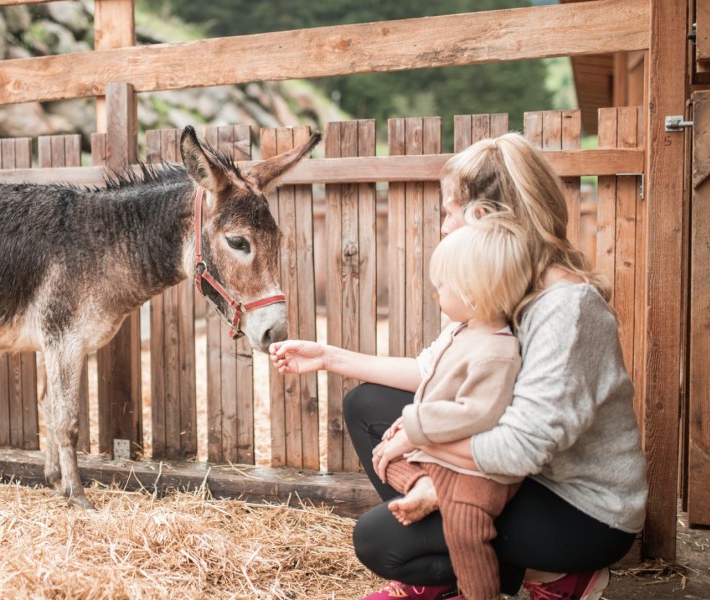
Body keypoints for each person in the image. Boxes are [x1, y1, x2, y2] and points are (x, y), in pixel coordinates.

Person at [269, 133, 647, 600]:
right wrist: (328, 357)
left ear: (481, 218)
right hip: (512, 482)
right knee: (366, 403)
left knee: (381, 541)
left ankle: (557, 575)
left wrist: (420, 438)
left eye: (448, 212)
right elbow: (431, 369)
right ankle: (453, 555)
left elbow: (520, 451)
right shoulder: (503, 286)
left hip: (580, 510)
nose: (444, 228)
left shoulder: (566, 310)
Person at [374, 211, 530, 600]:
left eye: (442, 285)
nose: (435, 293)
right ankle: (424, 487)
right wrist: (406, 427)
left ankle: (478, 594)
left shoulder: (497, 350)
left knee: (465, 531)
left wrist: (414, 425)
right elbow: (432, 384)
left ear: (473, 294)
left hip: (475, 475)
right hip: (440, 457)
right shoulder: (462, 331)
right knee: (386, 457)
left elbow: (476, 414)